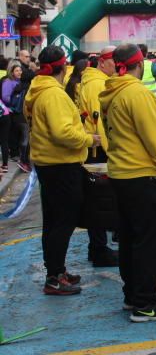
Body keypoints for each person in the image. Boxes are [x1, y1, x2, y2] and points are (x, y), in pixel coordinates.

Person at [99, 43, 156, 322]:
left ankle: (133, 295)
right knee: (149, 241)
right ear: (140, 65)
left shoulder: (110, 93)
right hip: (140, 175)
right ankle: (145, 304)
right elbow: (155, 138)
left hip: (120, 175)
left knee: (129, 238)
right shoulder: (138, 94)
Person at [24, 46, 101, 295]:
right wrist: (89, 138)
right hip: (60, 165)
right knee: (62, 222)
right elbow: (62, 132)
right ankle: (54, 277)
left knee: (54, 221)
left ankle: (56, 270)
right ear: (62, 67)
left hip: (50, 164)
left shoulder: (40, 89)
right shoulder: (53, 95)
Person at [77, 46, 120, 267]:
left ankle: (97, 248)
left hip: (96, 151)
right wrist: (112, 151)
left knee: (99, 202)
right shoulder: (97, 84)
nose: (117, 65)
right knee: (101, 203)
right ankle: (99, 249)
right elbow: (100, 122)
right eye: (114, 61)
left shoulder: (95, 80)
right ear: (102, 62)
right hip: (97, 152)